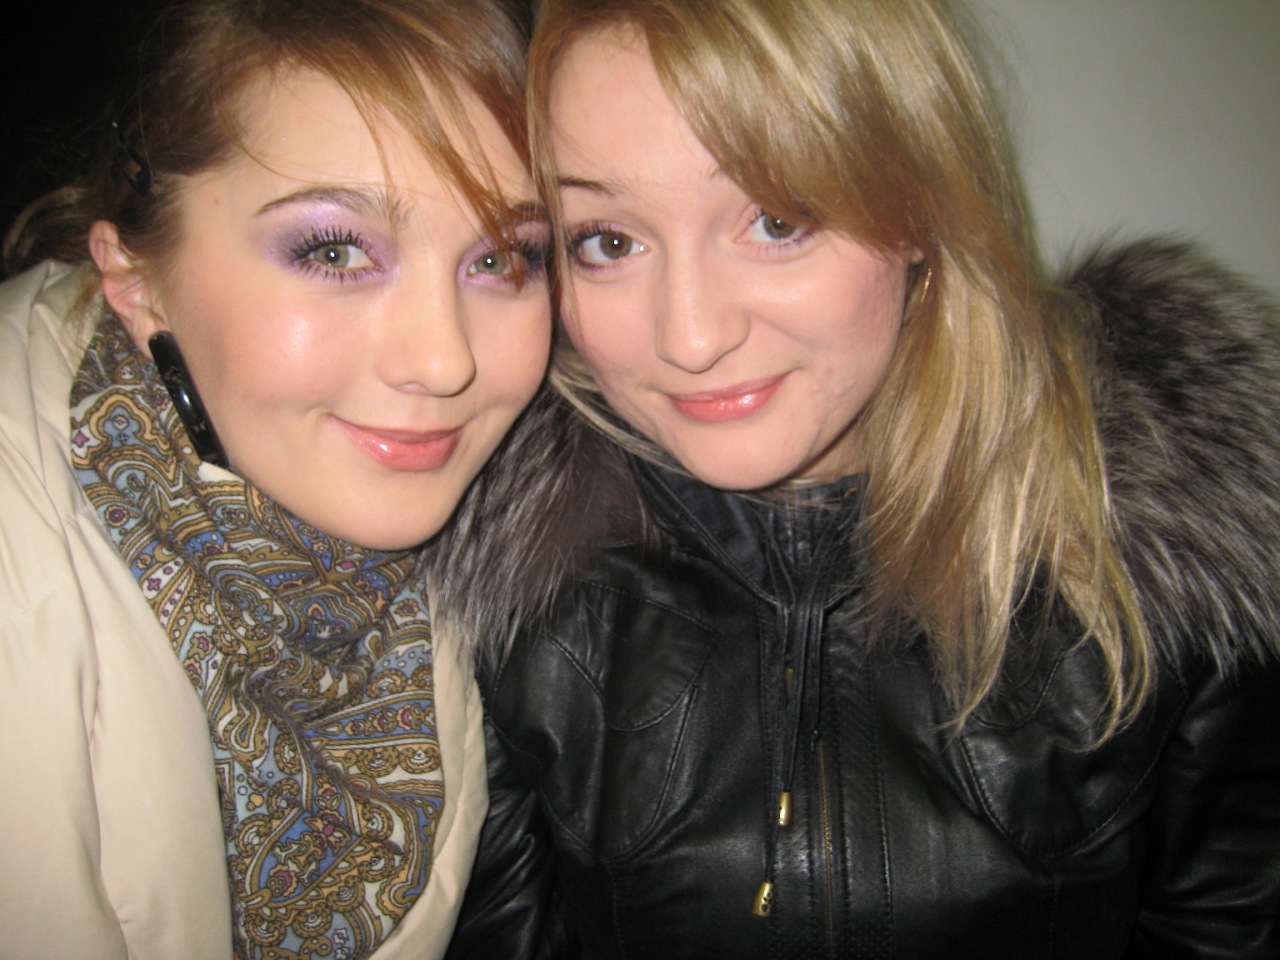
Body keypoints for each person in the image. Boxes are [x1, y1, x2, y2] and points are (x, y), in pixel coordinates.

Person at [434, 0, 1280, 956]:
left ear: (920, 208)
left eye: (777, 220)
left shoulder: (1161, 530)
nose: (691, 336)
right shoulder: (511, 570)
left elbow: (1223, 926)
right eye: (609, 242)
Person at [0, 0, 551, 957]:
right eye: (333, 251)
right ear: (136, 277)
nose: (443, 361)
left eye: (501, 259)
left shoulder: (492, 558)